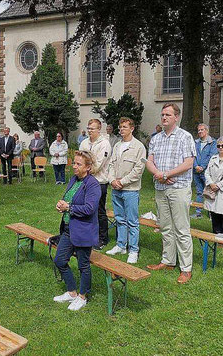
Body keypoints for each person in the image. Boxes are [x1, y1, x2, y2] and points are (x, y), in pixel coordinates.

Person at [145, 103, 196, 284]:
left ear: (176, 117)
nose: (164, 117)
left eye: (168, 114)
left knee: (181, 229)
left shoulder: (185, 137)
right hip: (160, 188)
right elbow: (149, 161)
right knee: (165, 227)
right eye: (162, 114)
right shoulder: (156, 139)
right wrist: (158, 174)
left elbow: (188, 163)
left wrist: (166, 174)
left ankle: (186, 268)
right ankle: (168, 261)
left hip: (179, 188)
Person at [53, 150, 100, 311]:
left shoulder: (92, 184)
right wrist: (61, 205)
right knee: (59, 260)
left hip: (83, 230)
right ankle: (72, 292)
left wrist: (69, 207)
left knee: (83, 265)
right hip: (68, 228)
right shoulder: (74, 179)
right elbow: (68, 198)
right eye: (74, 163)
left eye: (78, 164)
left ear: (88, 167)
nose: (74, 166)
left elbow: (90, 208)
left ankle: (82, 297)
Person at [106, 117, 146, 263]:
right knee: (119, 219)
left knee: (132, 221)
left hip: (130, 190)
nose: (121, 129)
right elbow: (110, 165)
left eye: (124, 127)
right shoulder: (117, 146)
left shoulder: (139, 147)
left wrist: (122, 182)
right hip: (116, 189)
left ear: (132, 128)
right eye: (120, 127)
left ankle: (133, 250)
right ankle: (121, 245)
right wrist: (112, 180)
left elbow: (138, 170)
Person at [80, 119, 112, 250]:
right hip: (84, 180)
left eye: (92, 129)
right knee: (85, 209)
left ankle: (102, 238)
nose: (89, 131)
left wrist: (84, 170)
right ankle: (88, 235)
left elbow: (98, 164)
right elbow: (79, 160)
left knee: (99, 210)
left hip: (99, 182)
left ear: (99, 130)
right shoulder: (84, 143)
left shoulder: (104, 144)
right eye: (88, 128)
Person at [192, 123, 218, 218]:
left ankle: (211, 213)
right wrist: (195, 166)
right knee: (199, 192)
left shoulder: (213, 143)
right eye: (198, 130)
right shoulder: (195, 143)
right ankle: (198, 213)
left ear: (207, 131)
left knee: (209, 192)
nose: (200, 132)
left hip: (207, 172)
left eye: (202, 130)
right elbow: (192, 155)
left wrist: (202, 167)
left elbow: (212, 156)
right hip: (196, 171)